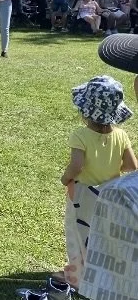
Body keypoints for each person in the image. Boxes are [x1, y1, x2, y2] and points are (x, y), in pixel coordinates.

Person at [59, 76, 137, 290]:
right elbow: (131, 165)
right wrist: (110, 168)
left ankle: (78, 278)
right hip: (112, 195)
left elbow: (77, 166)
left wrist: (65, 178)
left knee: (80, 234)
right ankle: (106, 277)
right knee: (104, 236)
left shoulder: (80, 135)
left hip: (83, 194)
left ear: (85, 110)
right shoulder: (121, 135)